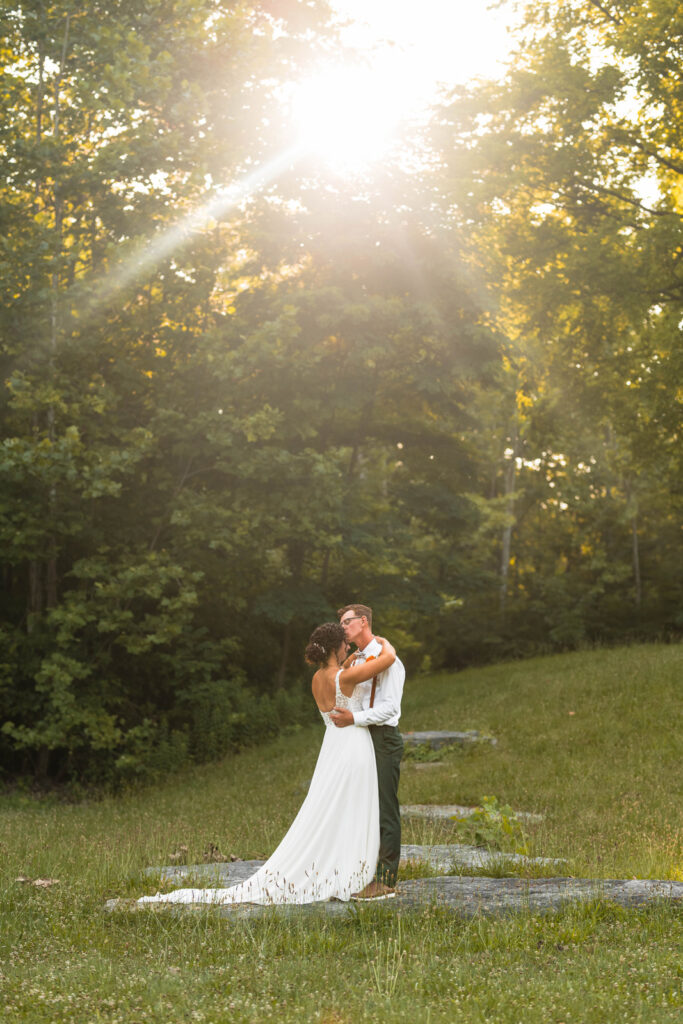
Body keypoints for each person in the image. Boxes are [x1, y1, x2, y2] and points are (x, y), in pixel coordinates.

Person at [137, 622, 397, 906]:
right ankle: (351, 868)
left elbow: (342, 665)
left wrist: (346, 655)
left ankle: (340, 860)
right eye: (344, 645)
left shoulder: (318, 678)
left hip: (331, 746)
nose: (349, 648)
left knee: (332, 804)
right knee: (353, 804)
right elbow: (387, 659)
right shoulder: (346, 678)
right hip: (353, 746)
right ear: (335, 648)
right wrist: (383, 641)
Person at [331, 604, 406, 900]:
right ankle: (361, 870)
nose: (343, 628)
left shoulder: (390, 660)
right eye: (340, 624)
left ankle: (386, 879)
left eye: (347, 622)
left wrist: (354, 719)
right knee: (363, 805)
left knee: (385, 807)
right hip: (359, 737)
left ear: (363, 622)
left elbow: (390, 707)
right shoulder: (355, 662)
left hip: (383, 737)